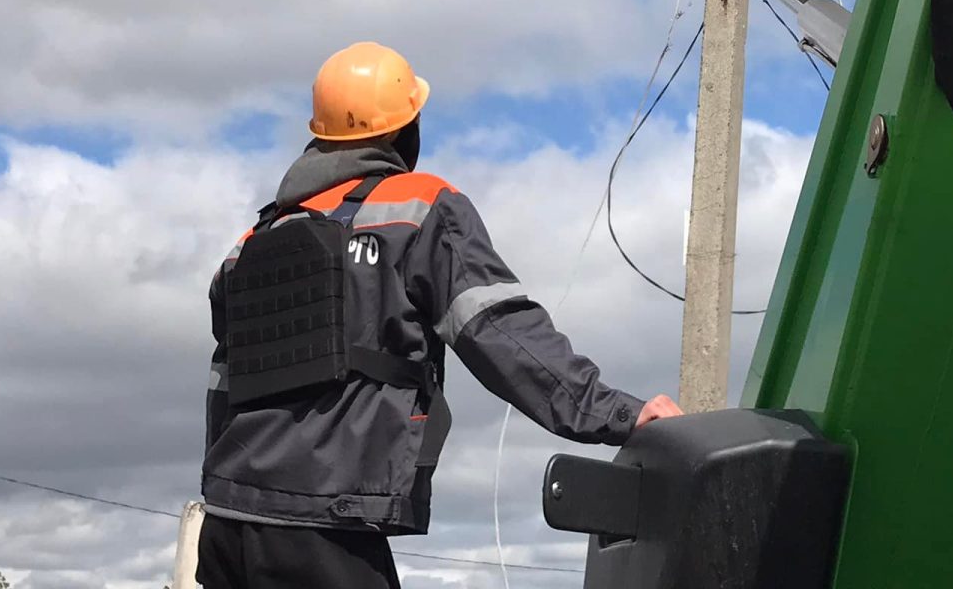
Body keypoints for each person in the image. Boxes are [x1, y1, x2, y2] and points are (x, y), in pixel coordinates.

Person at [199, 41, 681, 588]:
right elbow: (499, 330)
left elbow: (225, 385)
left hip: (227, 525)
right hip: (325, 528)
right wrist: (617, 414)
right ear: (406, 129)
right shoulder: (420, 207)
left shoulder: (248, 246)